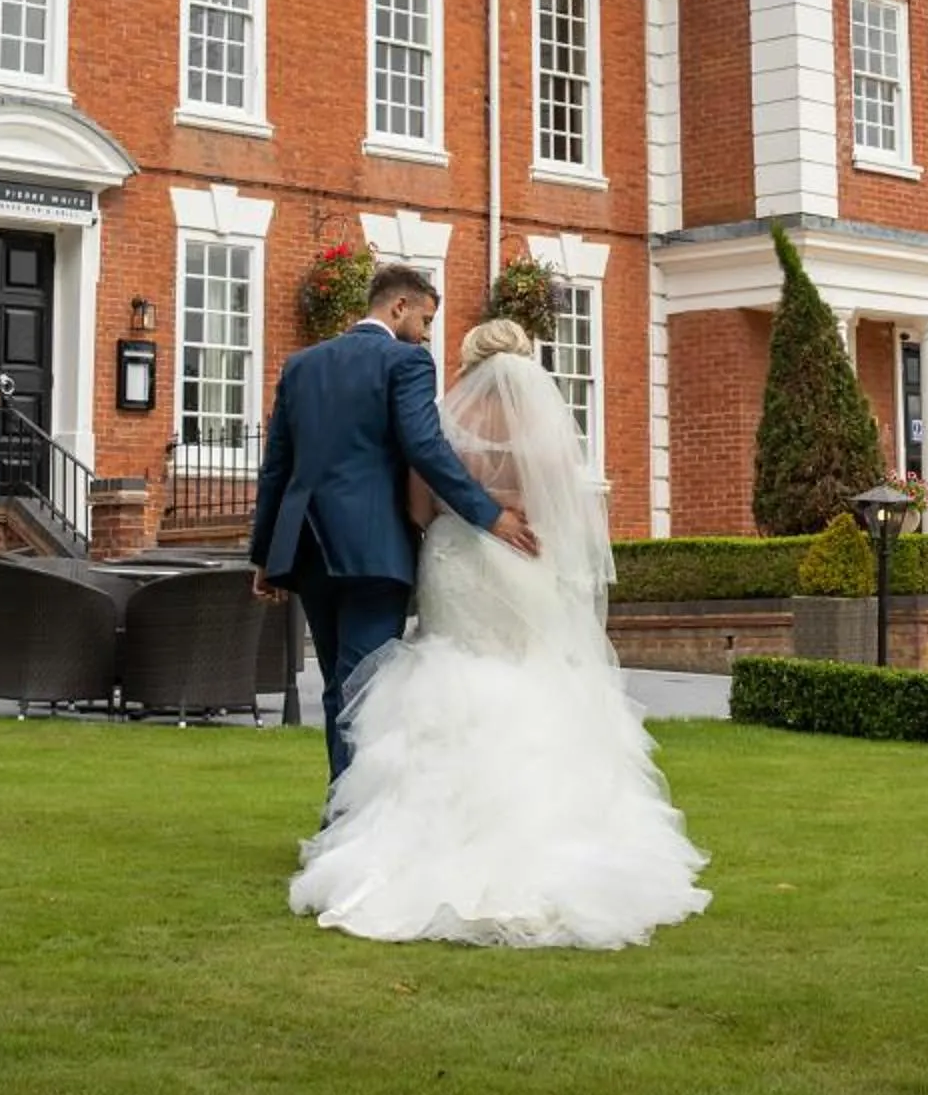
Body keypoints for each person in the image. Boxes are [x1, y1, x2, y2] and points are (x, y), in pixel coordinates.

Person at [288, 318, 710, 950]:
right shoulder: (545, 431)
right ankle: (551, 841)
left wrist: (463, 512)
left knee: (451, 677)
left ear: (468, 361)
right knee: (531, 679)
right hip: (523, 562)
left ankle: (426, 848)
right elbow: (564, 508)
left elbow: (418, 509)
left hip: (456, 559)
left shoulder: (445, 425)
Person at [250, 265, 540, 787]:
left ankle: (343, 806)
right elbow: (425, 447)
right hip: (373, 548)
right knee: (367, 688)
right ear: (398, 307)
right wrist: (490, 514)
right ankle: (357, 814)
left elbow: (276, 467)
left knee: (340, 687)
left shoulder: (301, 365)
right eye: (426, 321)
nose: (427, 335)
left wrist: (265, 556)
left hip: (307, 547)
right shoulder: (407, 361)